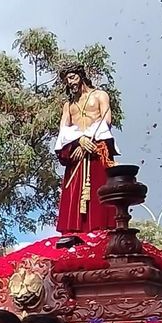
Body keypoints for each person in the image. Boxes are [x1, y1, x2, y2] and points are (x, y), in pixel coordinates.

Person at [52, 63, 119, 234]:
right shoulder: (68, 106)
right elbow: (63, 130)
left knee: (100, 191)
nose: (70, 82)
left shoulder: (100, 95)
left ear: (81, 76)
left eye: (72, 77)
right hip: (77, 153)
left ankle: (102, 231)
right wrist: (79, 140)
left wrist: (89, 140)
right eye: (67, 80)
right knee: (73, 194)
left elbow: (106, 121)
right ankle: (74, 233)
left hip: (97, 149)